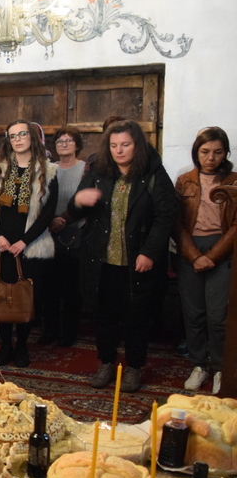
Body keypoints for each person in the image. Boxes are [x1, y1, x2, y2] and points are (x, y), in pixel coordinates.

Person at [68, 120, 175, 392]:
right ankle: (106, 362)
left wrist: (149, 252)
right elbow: (76, 209)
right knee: (104, 315)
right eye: (114, 145)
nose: (119, 150)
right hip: (102, 260)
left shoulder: (153, 172)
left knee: (136, 317)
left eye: (125, 144)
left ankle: (134, 367)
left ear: (137, 145)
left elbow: (165, 218)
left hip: (137, 261)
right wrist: (79, 200)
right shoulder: (99, 171)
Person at [0, 120, 58, 369]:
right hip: (0, 245)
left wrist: (24, 241)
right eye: (13, 136)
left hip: (29, 246)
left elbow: (47, 214)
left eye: (22, 134)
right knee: (1, 296)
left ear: (32, 137)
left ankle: (22, 345)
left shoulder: (49, 171)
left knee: (24, 297)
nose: (18, 139)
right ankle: (5, 345)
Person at [174, 127, 237, 394]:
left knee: (218, 315)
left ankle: (221, 367)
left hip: (222, 251)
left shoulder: (233, 181)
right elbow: (176, 222)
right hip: (190, 250)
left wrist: (211, 256)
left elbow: (235, 225)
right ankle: (199, 365)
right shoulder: (185, 180)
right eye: (205, 151)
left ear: (225, 154)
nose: (211, 158)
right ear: (196, 152)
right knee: (194, 313)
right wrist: (194, 255)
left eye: (217, 152)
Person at [40, 125, 87, 348]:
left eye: (69, 140)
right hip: (48, 233)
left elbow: (87, 202)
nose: (64, 144)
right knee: (49, 287)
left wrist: (63, 220)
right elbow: (40, 199)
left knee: (71, 289)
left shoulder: (85, 169)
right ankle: (50, 330)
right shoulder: (49, 169)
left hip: (74, 234)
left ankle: (68, 333)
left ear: (77, 145)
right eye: (60, 141)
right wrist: (50, 220)